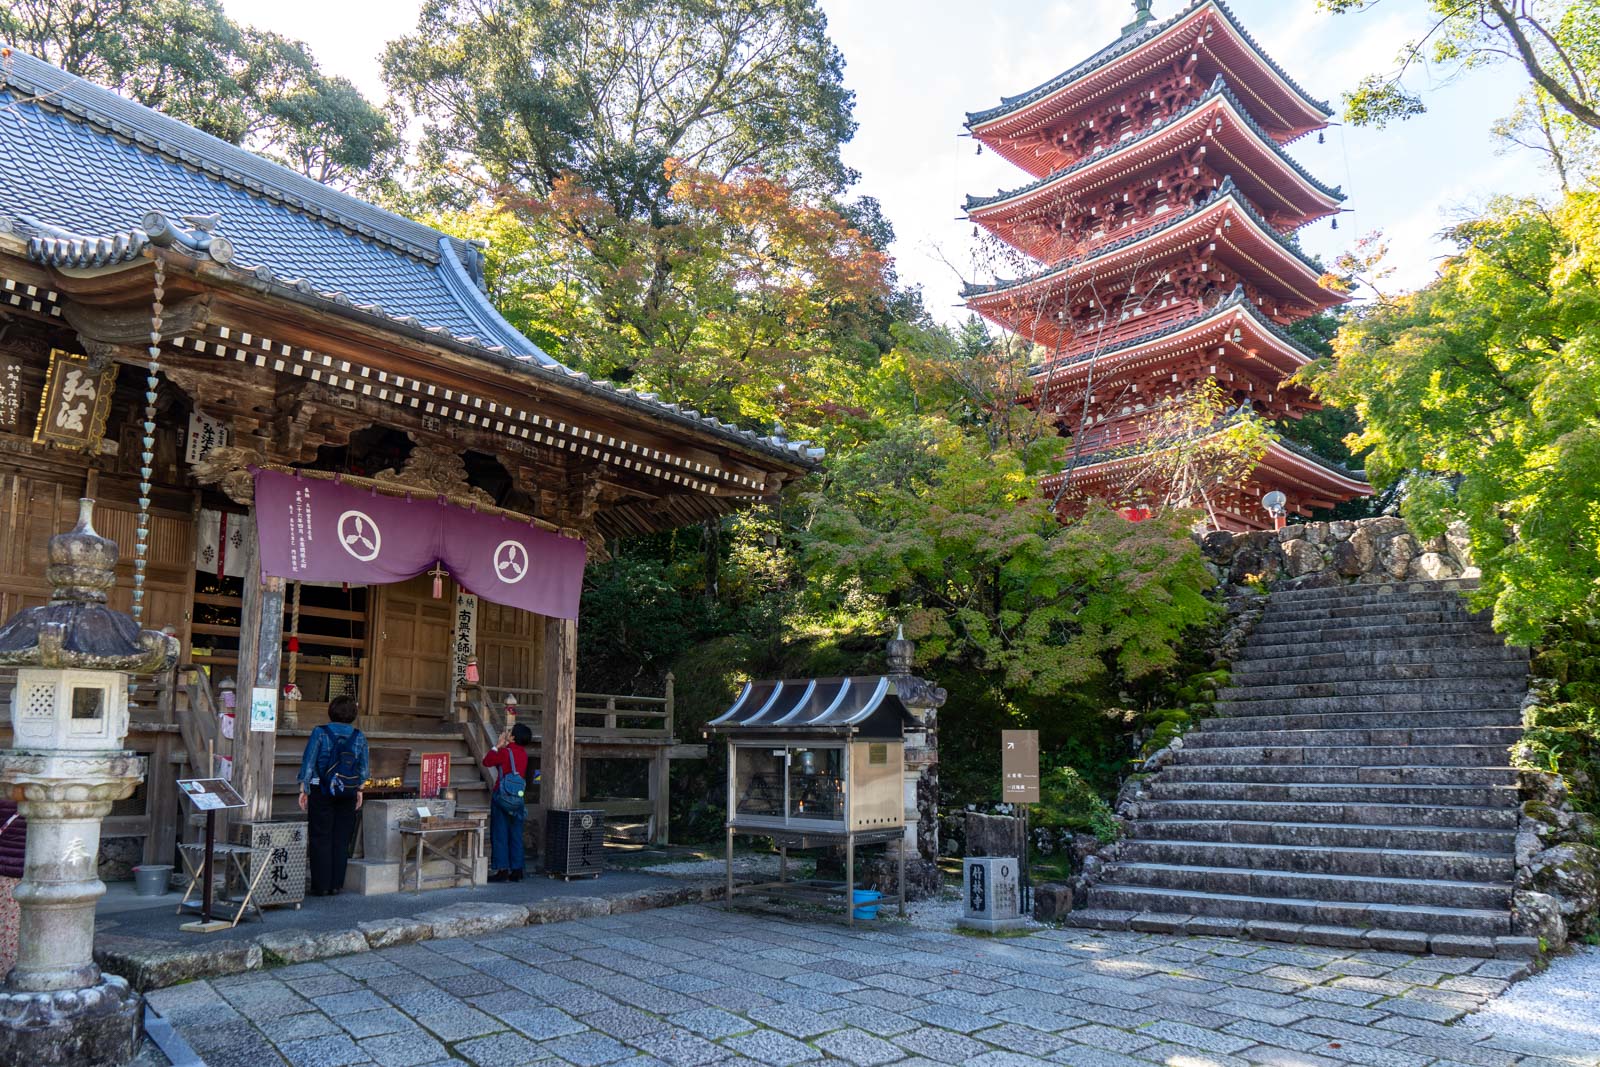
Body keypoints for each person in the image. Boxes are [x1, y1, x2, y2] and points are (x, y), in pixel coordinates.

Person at [298, 695, 368, 896]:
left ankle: (321, 885)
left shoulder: (320, 732)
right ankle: (336, 884)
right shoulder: (359, 736)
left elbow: (309, 761)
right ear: (353, 714)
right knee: (341, 837)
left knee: (320, 836)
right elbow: (363, 767)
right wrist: (360, 790)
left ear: (331, 711)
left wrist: (304, 789)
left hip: (322, 789)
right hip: (348, 790)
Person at [482, 723, 532, 882]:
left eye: (510, 732)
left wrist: (497, 745)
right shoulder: (523, 754)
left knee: (500, 833)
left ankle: (502, 869)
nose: (507, 733)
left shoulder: (505, 752)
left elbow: (487, 761)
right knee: (516, 833)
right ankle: (517, 870)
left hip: (502, 796)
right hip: (518, 798)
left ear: (513, 737)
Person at [0, 799, 24, 976]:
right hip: (32, 873)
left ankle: (6, 971)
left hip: (5, 872)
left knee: (7, 925)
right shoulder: (41, 800)